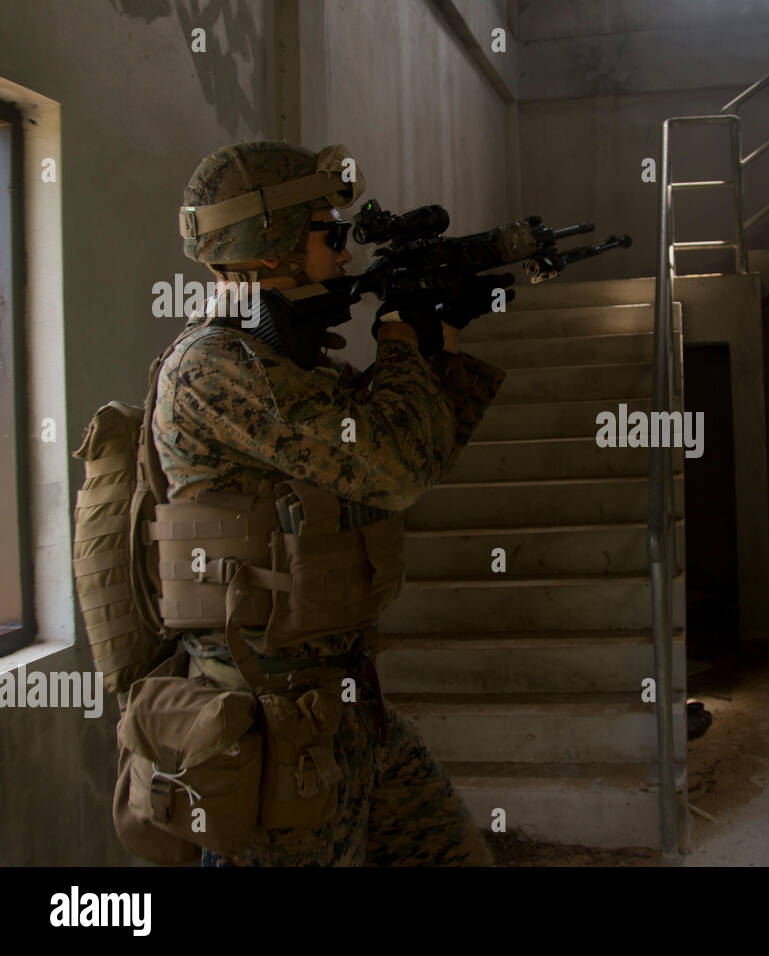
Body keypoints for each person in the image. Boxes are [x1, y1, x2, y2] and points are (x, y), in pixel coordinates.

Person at [151, 140, 507, 865]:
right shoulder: (213, 371)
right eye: (330, 234)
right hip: (268, 731)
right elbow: (394, 468)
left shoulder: (294, 371)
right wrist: (404, 343)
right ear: (270, 243)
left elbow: (415, 454)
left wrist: (441, 345)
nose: (346, 257)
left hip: (346, 707)